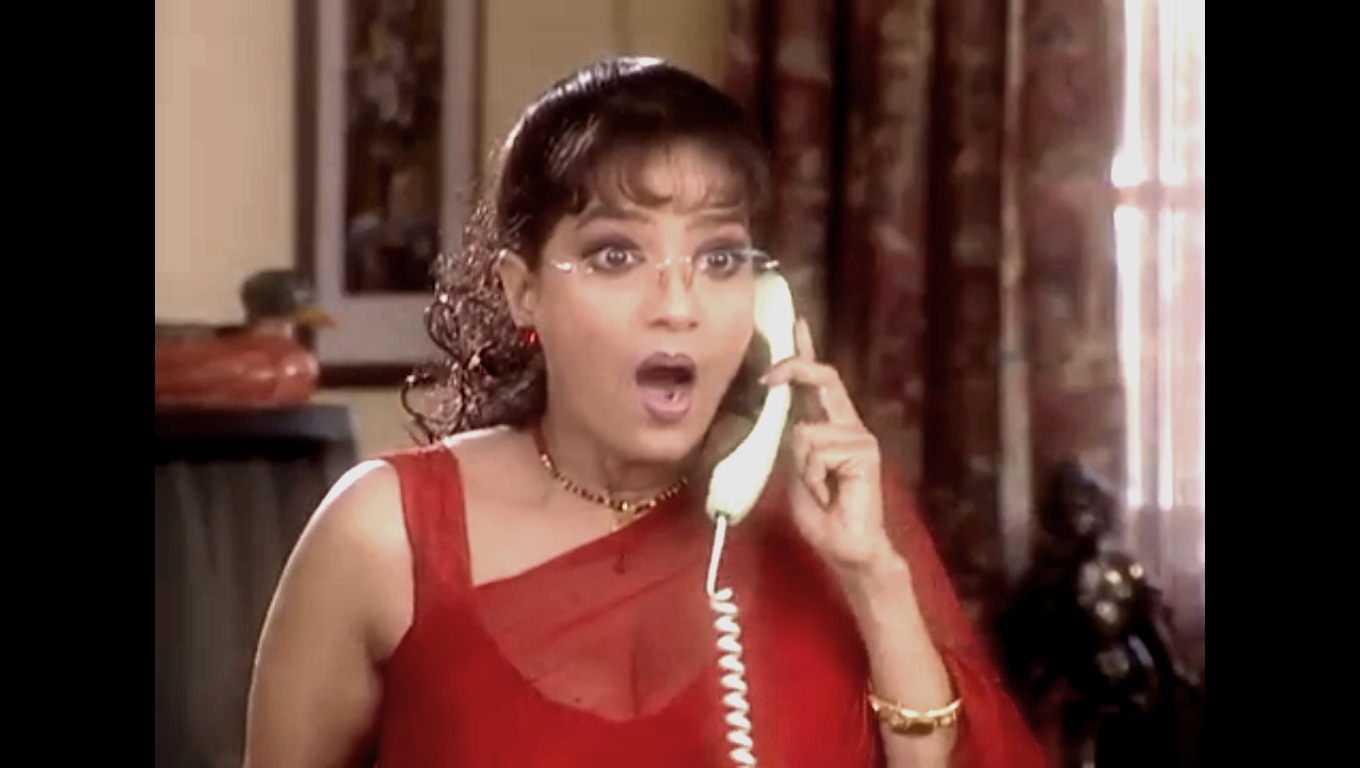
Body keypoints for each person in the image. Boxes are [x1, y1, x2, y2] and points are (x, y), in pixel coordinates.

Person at [243, 57, 1046, 767]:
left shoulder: (834, 515)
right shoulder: (383, 535)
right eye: (616, 254)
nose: (678, 305)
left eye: (719, 257)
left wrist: (873, 579)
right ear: (524, 291)